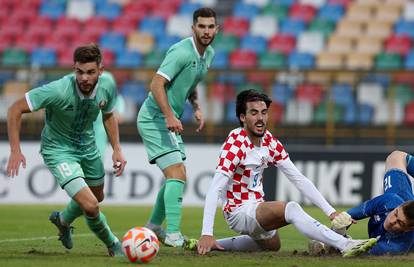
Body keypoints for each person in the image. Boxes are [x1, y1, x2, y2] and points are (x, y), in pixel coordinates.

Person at [197, 89, 377, 257]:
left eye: (264, 112)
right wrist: (206, 232)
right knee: (290, 208)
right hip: (238, 211)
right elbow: (214, 189)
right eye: (254, 113)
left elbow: (298, 178)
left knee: (272, 245)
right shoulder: (236, 144)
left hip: (256, 207)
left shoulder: (269, 141)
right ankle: (344, 244)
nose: (260, 118)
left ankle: (212, 245)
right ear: (243, 117)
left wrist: (330, 212)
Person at [6, 44, 127, 256]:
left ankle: (63, 220)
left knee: (97, 197)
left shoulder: (107, 86)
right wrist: (15, 150)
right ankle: (114, 244)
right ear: (74, 69)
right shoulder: (58, 90)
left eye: (90, 72)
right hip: (59, 150)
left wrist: (117, 148)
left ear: (101, 70)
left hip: (88, 148)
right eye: (79, 72)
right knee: (90, 206)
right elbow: (15, 109)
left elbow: (108, 115)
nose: (84, 78)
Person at [137, 7, 218, 247]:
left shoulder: (209, 54)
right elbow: (156, 84)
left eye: (210, 26)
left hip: (168, 119)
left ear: (216, 29)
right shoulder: (181, 52)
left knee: (177, 175)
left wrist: (196, 106)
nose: (206, 31)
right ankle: (172, 234)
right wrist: (170, 115)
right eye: (201, 26)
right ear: (193, 28)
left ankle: (153, 227)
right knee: (177, 174)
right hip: (155, 118)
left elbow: (190, 82)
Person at [330, 150, 414, 255]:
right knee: (396, 157)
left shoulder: (397, 245)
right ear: (399, 206)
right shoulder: (389, 200)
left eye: (400, 223)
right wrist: (338, 230)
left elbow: (356, 252)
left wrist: (338, 243)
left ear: (409, 228)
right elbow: (348, 216)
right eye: (395, 214)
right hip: (402, 195)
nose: (393, 221)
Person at [94, 91, 125, 161]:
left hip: (100, 132)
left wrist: (107, 112)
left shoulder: (116, 97)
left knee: (98, 159)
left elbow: (120, 118)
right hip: (82, 132)